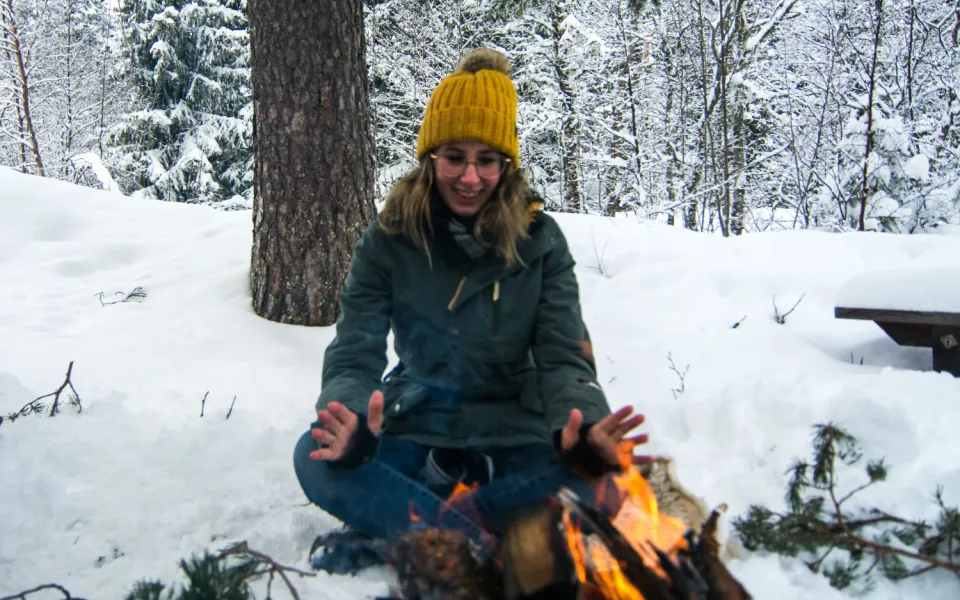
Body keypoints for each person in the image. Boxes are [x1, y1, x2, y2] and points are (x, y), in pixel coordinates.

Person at [293, 48, 650, 551]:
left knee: (602, 482)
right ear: (429, 158)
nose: (470, 177)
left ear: (507, 165)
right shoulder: (388, 240)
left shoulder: (541, 241)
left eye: (487, 161)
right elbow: (355, 350)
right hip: (419, 423)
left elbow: (564, 358)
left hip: (515, 429)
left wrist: (586, 431)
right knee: (316, 458)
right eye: (454, 157)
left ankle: (421, 532)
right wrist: (349, 418)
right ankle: (489, 542)